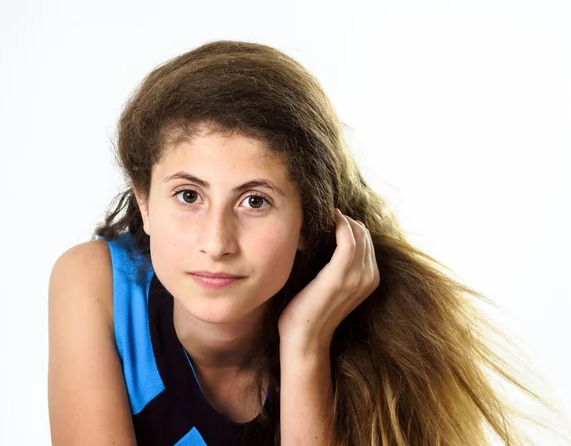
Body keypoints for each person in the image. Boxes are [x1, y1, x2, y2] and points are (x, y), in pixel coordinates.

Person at [47, 40, 568, 446]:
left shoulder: (366, 345)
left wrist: (304, 346)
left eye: (255, 201)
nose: (217, 242)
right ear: (144, 202)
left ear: (308, 222)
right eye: (188, 195)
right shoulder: (96, 284)